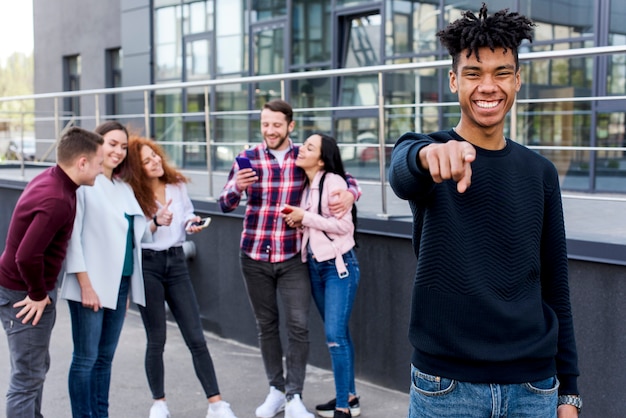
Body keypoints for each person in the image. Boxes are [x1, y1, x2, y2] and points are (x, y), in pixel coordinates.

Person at [388, 4, 582, 417]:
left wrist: (569, 394)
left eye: (502, 73)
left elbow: (556, 287)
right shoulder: (430, 151)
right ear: (455, 80)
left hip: (534, 388)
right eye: (474, 74)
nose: (488, 86)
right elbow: (402, 172)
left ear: (517, 81)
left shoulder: (541, 172)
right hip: (446, 389)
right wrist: (428, 157)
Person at [219, 99, 361, 418]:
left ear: (290, 126)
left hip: (293, 257)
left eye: (276, 125)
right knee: (266, 326)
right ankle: (277, 390)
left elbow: (340, 176)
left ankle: (295, 395)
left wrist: (352, 193)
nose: (270, 130)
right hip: (254, 255)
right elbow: (224, 203)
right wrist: (235, 190)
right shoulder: (247, 158)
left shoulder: (304, 157)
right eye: (265, 124)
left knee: (298, 326)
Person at [121, 136, 238, 418]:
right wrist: (154, 222)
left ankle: (216, 404)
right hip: (147, 265)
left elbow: (186, 213)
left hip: (176, 262)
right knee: (156, 339)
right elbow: (131, 234)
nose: (155, 162)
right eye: (147, 160)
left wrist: (191, 222)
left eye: (156, 156)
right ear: (137, 168)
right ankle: (159, 403)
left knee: (196, 337)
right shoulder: (131, 193)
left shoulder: (176, 185)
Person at [0, 127, 104, 418]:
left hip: (18, 289)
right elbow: (26, 255)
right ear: (82, 162)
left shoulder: (53, 179)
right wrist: (37, 294)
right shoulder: (57, 198)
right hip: (24, 295)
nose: (101, 169)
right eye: (99, 162)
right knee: (27, 378)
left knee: (33, 370)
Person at [59, 121, 151, 418]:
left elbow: (128, 238)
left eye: (124, 147)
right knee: (86, 359)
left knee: (105, 360)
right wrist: (86, 285)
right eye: (112, 144)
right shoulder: (86, 183)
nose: (119, 151)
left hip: (119, 284)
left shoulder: (123, 188)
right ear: (97, 144)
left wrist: (157, 223)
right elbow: (73, 239)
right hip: (91, 285)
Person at [281, 133, 360, 418]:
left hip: (338, 267)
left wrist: (305, 217)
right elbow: (315, 225)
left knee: (334, 336)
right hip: (315, 266)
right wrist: (298, 221)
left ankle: (343, 407)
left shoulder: (334, 182)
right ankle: (349, 396)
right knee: (339, 333)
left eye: (309, 147)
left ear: (322, 158)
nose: (302, 149)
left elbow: (343, 227)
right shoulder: (308, 184)